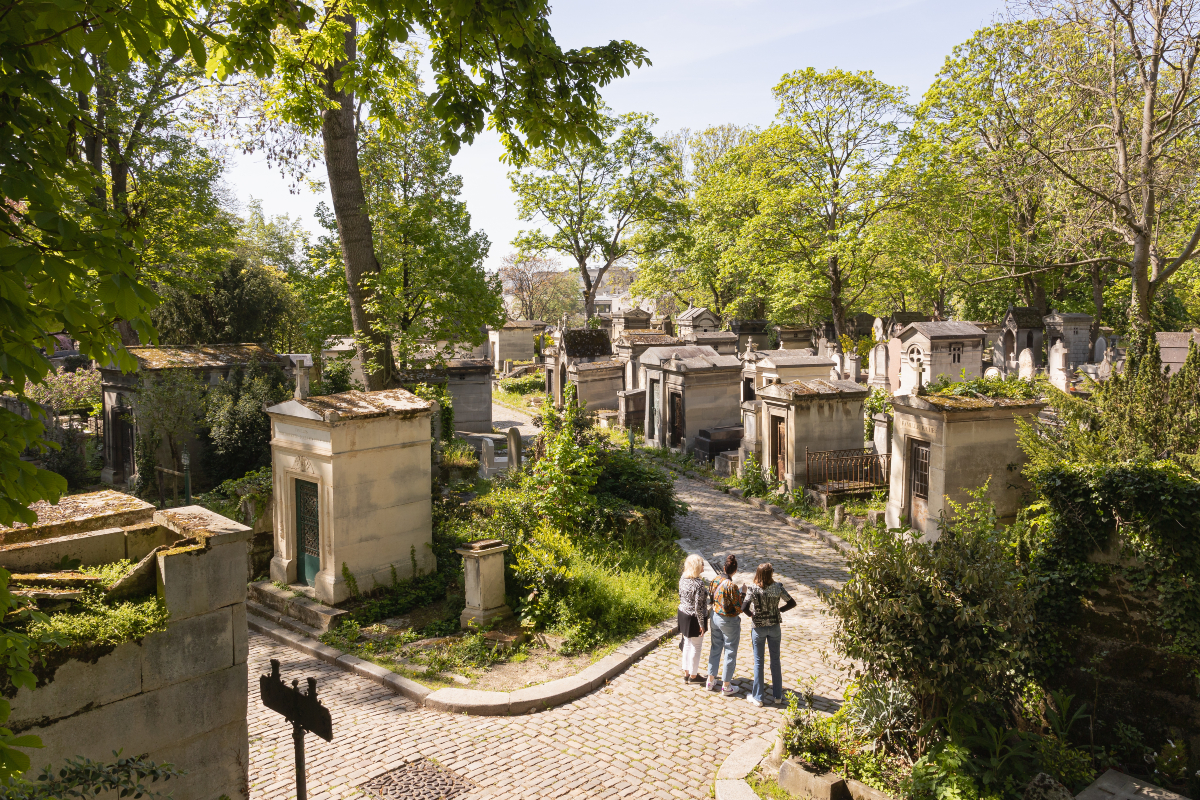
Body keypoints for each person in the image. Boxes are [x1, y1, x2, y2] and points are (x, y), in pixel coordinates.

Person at [741, 562, 796, 707]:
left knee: (759, 661)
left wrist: (752, 615)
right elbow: (792, 603)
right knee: (775, 660)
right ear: (771, 574)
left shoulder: (753, 588)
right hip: (774, 626)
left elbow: (744, 607)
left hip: (758, 627)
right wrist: (779, 611)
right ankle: (778, 695)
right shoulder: (778, 587)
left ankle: (758, 697)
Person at [706, 554, 742, 695]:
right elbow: (738, 607)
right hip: (728, 621)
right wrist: (743, 593)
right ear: (735, 570)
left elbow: (710, 595)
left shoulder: (715, 580)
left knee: (715, 647)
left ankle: (710, 680)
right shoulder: (732, 586)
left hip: (714, 616)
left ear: (723, 567)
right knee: (730, 650)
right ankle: (726, 686)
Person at [677, 553, 709, 684]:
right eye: (702, 564)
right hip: (694, 617)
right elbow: (698, 607)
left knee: (687, 644)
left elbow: (680, 595)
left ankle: (686, 672)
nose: (703, 566)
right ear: (697, 566)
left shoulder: (683, 578)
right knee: (696, 645)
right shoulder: (699, 584)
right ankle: (694, 676)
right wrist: (702, 624)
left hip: (683, 614)